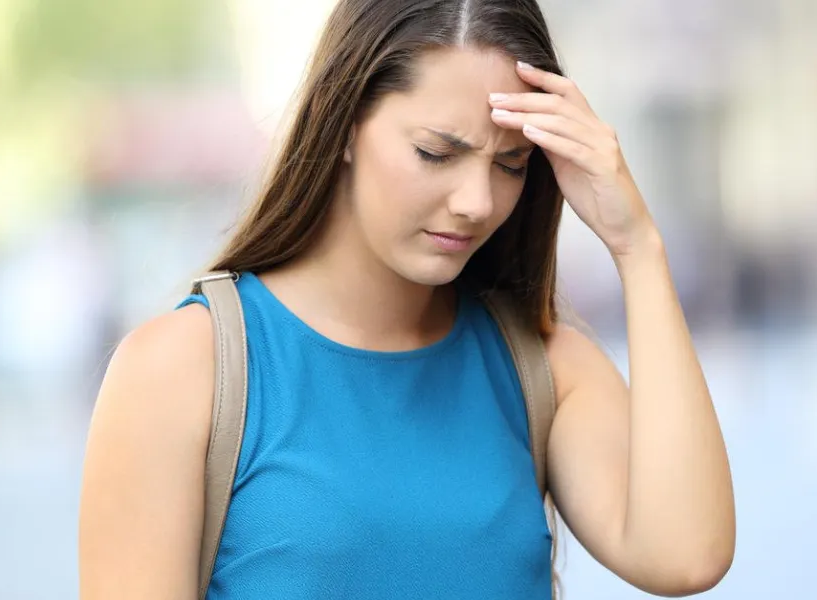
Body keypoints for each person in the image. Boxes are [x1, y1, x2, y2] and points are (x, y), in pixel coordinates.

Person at [78, 1, 735, 598]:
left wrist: (638, 248)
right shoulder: (183, 371)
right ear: (343, 124)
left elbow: (686, 556)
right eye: (435, 152)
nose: (477, 202)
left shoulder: (544, 366)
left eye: (510, 164)